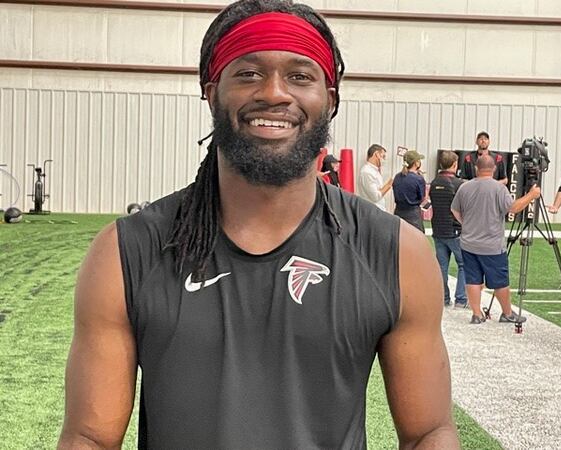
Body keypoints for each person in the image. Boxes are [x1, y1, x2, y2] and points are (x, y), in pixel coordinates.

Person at [58, 1, 459, 449]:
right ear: (211, 92)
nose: (273, 93)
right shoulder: (127, 252)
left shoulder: (393, 252)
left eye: (300, 76)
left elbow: (428, 432)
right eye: (248, 73)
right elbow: (90, 437)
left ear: (330, 98)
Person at [451, 155, 541, 324]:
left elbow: (455, 210)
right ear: (493, 169)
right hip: (492, 245)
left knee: (473, 279)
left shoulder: (465, 187)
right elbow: (513, 208)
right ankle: (507, 313)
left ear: (476, 168)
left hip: (469, 242)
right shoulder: (499, 189)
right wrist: (532, 195)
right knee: (500, 281)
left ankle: (477, 314)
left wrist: (467, 224)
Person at [430, 151, 467, 307]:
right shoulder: (459, 184)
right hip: (455, 230)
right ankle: (461, 298)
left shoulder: (433, 182)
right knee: (464, 264)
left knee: (442, 266)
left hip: (438, 229)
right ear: (454, 165)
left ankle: (444, 298)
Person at [392, 150, 426, 232]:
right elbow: (422, 198)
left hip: (398, 213)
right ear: (416, 163)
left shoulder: (397, 177)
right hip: (413, 215)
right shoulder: (418, 179)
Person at [357, 144, 393, 211]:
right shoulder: (367, 172)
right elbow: (375, 196)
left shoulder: (374, 171)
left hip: (377, 211)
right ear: (376, 154)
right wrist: (388, 185)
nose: (384, 160)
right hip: (371, 212)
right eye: (383, 156)